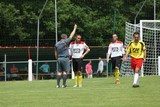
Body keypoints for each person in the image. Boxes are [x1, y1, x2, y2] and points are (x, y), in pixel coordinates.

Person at [55, 24, 77, 88]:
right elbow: (71, 35)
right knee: (65, 71)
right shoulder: (66, 42)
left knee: (59, 72)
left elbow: (56, 52)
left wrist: (57, 59)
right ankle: (63, 84)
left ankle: (57, 84)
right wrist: (75, 28)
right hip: (65, 58)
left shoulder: (57, 44)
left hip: (59, 58)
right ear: (65, 37)